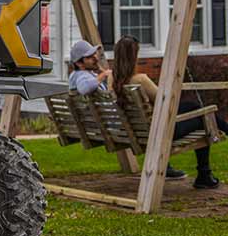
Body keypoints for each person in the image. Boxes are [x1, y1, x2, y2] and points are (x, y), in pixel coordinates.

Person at [110, 34, 228, 189]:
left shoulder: (112, 80)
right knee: (204, 120)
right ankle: (208, 170)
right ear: (133, 56)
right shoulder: (140, 79)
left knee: (192, 106)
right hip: (160, 131)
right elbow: (166, 103)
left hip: (139, 131)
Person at [66, 39, 188, 180]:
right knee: (180, 109)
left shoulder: (82, 75)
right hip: (114, 127)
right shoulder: (81, 76)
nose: (95, 58)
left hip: (105, 126)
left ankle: (166, 167)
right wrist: (103, 75)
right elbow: (84, 88)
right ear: (79, 63)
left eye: (95, 54)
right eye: (89, 57)